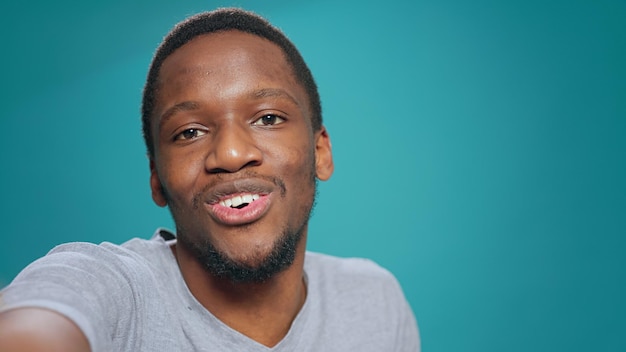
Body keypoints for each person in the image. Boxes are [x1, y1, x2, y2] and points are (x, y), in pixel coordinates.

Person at [0, 8, 420, 351]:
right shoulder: (116, 292)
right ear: (157, 179)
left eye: (268, 118)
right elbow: (38, 322)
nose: (232, 155)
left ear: (320, 152)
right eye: (189, 132)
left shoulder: (376, 302)